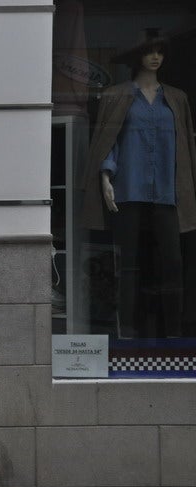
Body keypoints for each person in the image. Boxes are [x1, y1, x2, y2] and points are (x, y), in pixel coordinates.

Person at [82, 29, 196, 338]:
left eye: (160, 51)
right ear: (137, 57)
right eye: (149, 51)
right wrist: (105, 176)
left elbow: (186, 146)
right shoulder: (117, 96)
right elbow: (109, 141)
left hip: (168, 192)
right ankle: (127, 330)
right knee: (128, 263)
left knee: (172, 261)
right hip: (128, 190)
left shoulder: (176, 98)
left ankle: (175, 333)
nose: (156, 57)